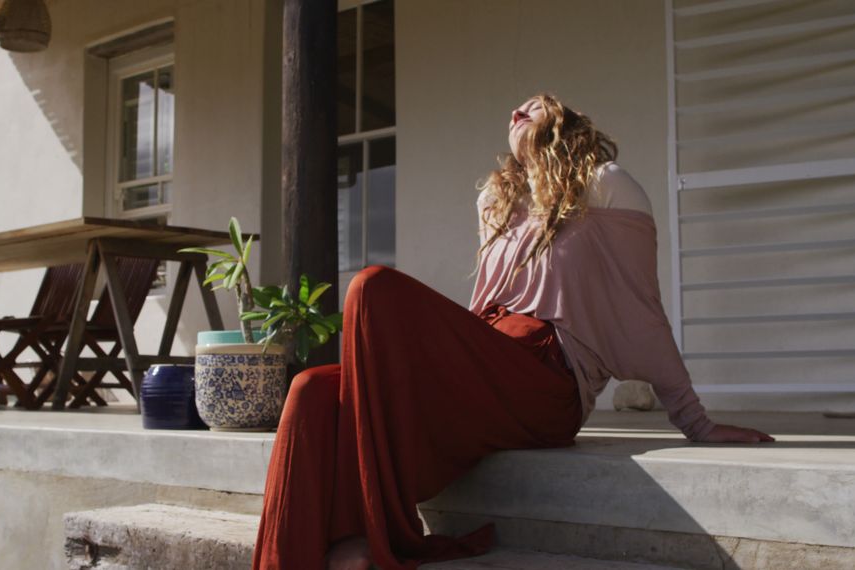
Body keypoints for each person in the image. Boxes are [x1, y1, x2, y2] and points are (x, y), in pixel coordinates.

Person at [252, 93, 774, 570]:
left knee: (372, 287)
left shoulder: (607, 184)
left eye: (535, 104)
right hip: (489, 356)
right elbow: (485, 305)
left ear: (565, 122)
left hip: (549, 377)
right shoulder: (496, 202)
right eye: (512, 110)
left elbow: (643, 305)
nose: (516, 111)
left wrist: (695, 421)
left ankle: (378, 531)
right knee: (310, 390)